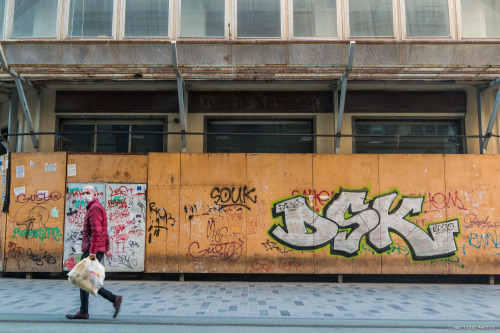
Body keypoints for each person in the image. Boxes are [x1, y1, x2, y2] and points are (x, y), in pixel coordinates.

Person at [66, 185, 122, 319]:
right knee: (85, 279)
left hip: (93, 250)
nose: (85, 194)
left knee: (82, 279)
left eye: (88, 192)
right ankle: (89, 308)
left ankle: (111, 299)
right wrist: (107, 248)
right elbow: (104, 230)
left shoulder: (94, 208)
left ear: (95, 195)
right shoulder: (96, 207)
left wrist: (92, 251)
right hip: (96, 249)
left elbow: (97, 232)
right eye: (84, 192)